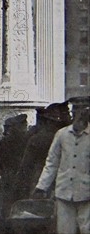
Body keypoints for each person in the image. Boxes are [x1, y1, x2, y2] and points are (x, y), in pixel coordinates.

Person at [34, 95, 90, 234]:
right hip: (64, 191)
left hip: (87, 193)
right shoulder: (62, 135)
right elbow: (52, 162)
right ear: (72, 113)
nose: (80, 114)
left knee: (86, 228)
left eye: (84, 109)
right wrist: (42, 186)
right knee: (65, 230)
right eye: (76, 110)